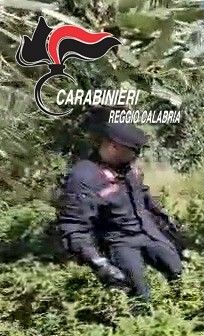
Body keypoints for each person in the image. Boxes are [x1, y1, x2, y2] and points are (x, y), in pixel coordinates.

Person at [57, 122, 184, 302]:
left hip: (149, 232)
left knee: (180, 276)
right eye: (133, 151)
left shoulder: (128, 168)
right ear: (113, 146)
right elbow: (73, 225)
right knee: (140, 297)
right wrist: (98, 262)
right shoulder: (84, 177)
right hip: (121, 241)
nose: (136, 157)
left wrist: (170, 231)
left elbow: (144, 201)